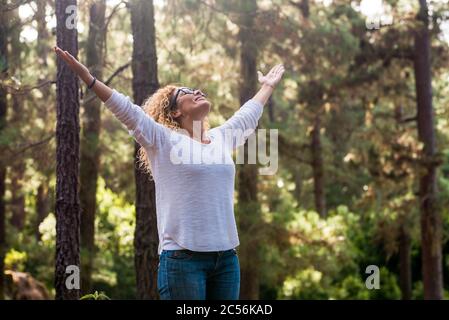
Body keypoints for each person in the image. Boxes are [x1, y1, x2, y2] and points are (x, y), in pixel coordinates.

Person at [54, 46, 285, 300]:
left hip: (226, 260)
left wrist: (268, 86)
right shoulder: (163, 140)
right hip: (183, 262)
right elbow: (128, 111)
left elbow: (247, 116)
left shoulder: (221, 138)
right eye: (186, 92)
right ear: (176, 111)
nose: (197, 91)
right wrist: (89, 78)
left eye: (196, 90)